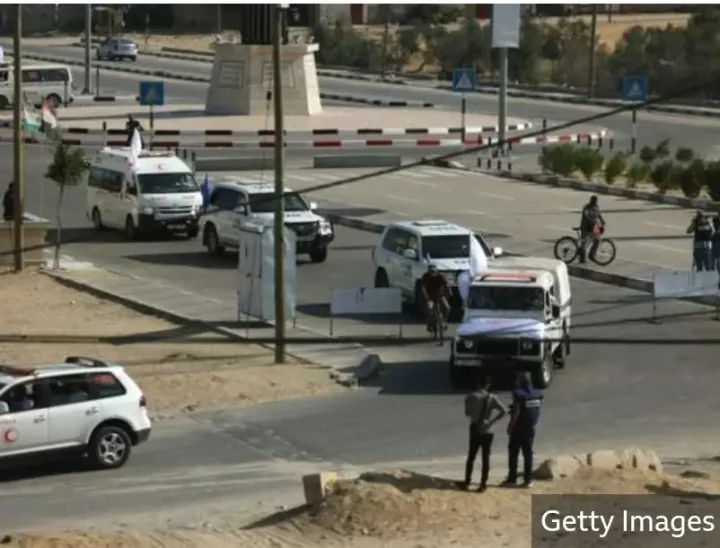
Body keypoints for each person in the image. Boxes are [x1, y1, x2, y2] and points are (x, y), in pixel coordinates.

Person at [460, 375, 507, 492]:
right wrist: (491, 421)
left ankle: (467, 482)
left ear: (478, 384)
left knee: (471, 456)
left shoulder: (470, 397)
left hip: (475, 428)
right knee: (486, 458)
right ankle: (483, 484)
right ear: (488, 385)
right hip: (488, 430)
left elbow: (467, 413)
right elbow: (504, 411)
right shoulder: (492, 398)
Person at [502, 372, 543, 488]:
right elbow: (536, 409)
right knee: (528, 453)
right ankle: (528, 479)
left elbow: (517, 411)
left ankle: (512, 479)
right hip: (530, 428)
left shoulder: (518, 394)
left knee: (513, 452)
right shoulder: (538, 394)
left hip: (518, 428)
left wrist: (510, 425)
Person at [420, 263, 450, 331]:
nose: (432, 273)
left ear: (436, 271)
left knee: (447, 308)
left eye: (433, 271)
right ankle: (430, 324)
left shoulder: (441, 276)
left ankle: (444, 321)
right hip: (429, 295)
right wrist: (425, 296)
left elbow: (446, 285)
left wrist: (448, 292)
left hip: (439, 294)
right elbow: (423, 287)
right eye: (431, 271)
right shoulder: (425, 276)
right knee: (429, 309)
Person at [579, 195, 605, 264]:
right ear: (590, 200)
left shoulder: (596, 207)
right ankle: (582, 259)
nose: (594, 202)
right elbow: (586, 215)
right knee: (584, 244)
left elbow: (599, 214)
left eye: (595, 201)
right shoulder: (586, 207)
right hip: (586, 227)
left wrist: (602, 222)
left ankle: (591, 255)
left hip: (593, 226)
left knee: (597, 240)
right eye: (593, 201)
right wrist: (591, 221)